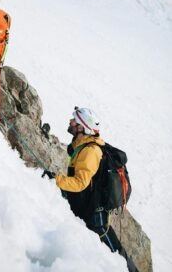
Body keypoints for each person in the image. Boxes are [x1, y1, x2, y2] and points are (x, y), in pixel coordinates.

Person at [43, 106, 136, 271]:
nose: (70, 121)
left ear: (82, 127)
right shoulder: (83, 146)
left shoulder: (90, 151)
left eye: (74, 120)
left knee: (113, 253)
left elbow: (80, 183)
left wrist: (57, 180)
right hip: (88, 207)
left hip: (94, 213)